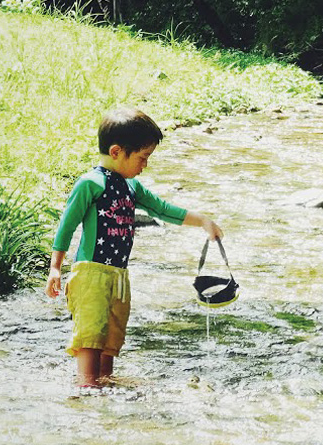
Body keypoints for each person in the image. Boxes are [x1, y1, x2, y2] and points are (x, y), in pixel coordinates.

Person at [45, 107, 225, 388]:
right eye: (143, 157)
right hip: (90, 274)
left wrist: (202, 221)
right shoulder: (90, 184)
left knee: (111, 339)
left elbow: (162, 210)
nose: (145, 164)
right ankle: (86, 389)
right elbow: (67, 225)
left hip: (118, 276)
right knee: (91, 335)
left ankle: (105, 384)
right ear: (117, 151)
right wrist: (55, 268)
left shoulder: (131, 187)